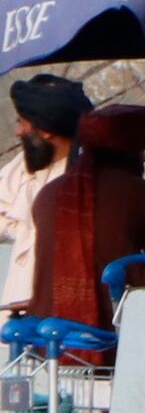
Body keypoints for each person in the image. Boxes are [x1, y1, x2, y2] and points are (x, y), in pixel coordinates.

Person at [30, 104, 145, 343]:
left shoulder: (47, 194)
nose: (144, 160)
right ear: (131, 153)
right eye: (141, 152)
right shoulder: (139, 193)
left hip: (47, 344)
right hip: (114, 340)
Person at [1, 75, 89, 313]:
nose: (18, 131)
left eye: (22, 122)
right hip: (16, 313)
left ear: (46, 131)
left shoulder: (85, 178)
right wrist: (20, 228)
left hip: (60, 317)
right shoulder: (22, 167)